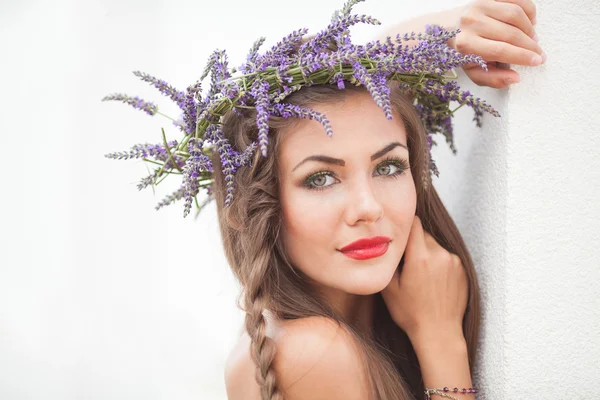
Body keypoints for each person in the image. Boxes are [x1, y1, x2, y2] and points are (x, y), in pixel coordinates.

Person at [103, 0, 544, 398]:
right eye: (320, 179)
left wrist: (448, 29)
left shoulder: (321, 338)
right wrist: (441, 340)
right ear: (250, 207)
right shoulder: (311, 353)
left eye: (388, 166)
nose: (367, 207)